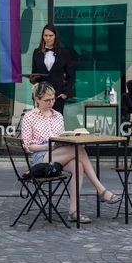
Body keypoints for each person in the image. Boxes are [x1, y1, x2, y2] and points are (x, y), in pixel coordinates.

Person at [20, 82, 121, 223]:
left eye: (53, 99)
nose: (51, 103)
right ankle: (100, 190)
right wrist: (48, 147)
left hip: (59, 154)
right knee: (79, 149)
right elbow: (27, 146)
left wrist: (64, 141)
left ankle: (74, 211)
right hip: (42, 157)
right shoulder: (29, 117)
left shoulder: (58, 116)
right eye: (47, 100)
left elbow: (62, 137)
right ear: (37, 100)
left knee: (78, 166)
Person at [31, 24, 74, 114]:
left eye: (51, 36)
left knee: (56, 123)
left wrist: (66, 94)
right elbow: (34, 73)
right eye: (46, 35)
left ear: (55, 37)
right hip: (41, 96)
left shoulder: (64, 53)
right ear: (42, 37)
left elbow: (71, 76)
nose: (48, 38)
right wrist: (32, 79)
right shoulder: (37, 52)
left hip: (57, 96)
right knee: (40, 124)